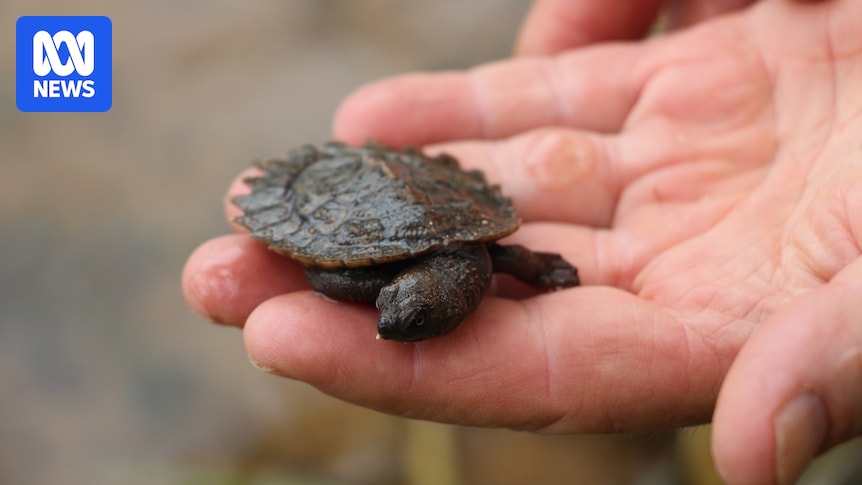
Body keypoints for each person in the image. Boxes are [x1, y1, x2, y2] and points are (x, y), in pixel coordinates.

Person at [183, 0, 862, 483]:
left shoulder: (484, 257)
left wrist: (546, 272)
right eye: (406, 310)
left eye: (408, 312)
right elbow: (501, 259)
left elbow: (513, 258)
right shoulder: (480, 257)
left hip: (424, 204)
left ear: (451, 300)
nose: (393, 321)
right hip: (347, 193)